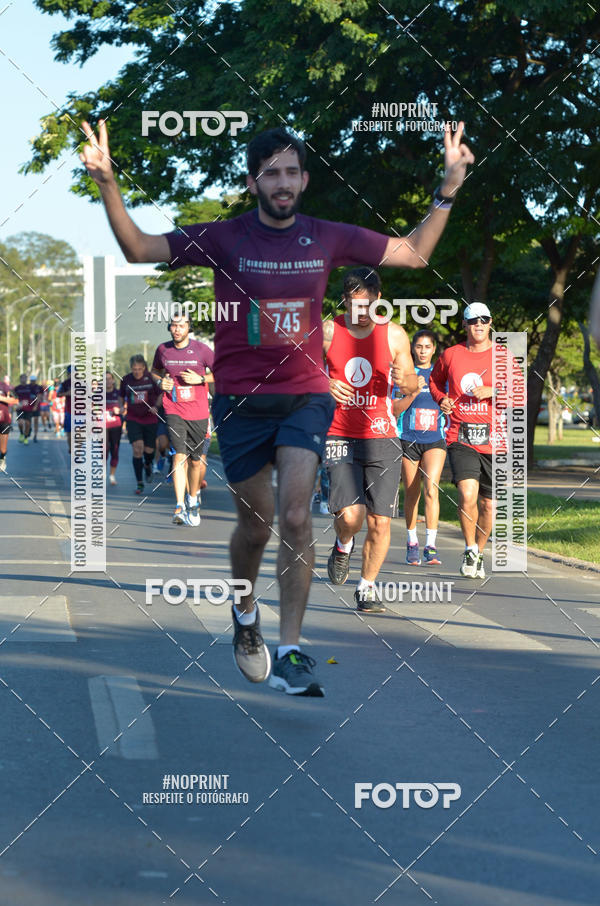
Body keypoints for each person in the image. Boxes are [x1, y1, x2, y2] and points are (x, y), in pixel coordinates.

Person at [79, 117, 474, 696]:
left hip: (306, 400)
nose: (282, 183)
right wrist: (108, 182)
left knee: (294, 516)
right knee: (256, 526)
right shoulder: (224, 237)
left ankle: (290, 649)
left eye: (291, 172)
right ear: (253, 181)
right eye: (271, 174)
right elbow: (139, 247)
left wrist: (447, 190)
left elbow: (413, 253)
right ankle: (244, 615)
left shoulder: (327, 235)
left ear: (305, 179)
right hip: (241, 403)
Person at [324, 268, 417, 613]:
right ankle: (342, 543)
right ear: (344, 301)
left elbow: (410, 383)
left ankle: (366, 588)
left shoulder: (394, 335)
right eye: (352, 305)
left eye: (365, 305)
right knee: (351, 515)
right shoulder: (327, 330)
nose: (359, 313)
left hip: (383, 434)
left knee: (379, 520)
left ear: (378, 300)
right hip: (340, 432)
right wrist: (324, 383)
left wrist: (405, 381)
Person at [429, 302, 499, 578]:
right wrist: (442, 399)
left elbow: (520, 394)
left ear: (491, 322)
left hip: (496, 439)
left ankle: (479, 553)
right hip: (461, 435)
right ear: (465, 324)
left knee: (488, 504)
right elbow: (434, 382)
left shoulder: (502, 356)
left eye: (484, 319)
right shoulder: (451, 355)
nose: (478, 324)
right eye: (473, 320)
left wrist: (493, 390)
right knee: (467, 494)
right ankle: (470, 548)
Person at [151, 315, 214, 525]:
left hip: (198, 411)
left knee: (196, 461)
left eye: (181, 326)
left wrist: (202, 379)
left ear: (189, 328)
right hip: (174, 408)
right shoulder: (163, 350)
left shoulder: (202, 350)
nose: (177, 329)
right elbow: (155, 372)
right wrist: (161, 382)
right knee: (179, 455)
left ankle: (193, 498)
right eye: (174, 326)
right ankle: (179, 505)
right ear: (169, 328)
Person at [394, 329, 447, 566]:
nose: (423, 351)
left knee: (431, 490)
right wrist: (414, 391)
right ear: (412, 348)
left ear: (434, 348)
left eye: (427, 347)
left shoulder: (441, 374)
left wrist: (448, 406)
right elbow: (395, 407)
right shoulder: (405, 373)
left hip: (435, 439)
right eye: (419, 346)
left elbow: (450, 400)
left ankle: (432, 546)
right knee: (412, 492)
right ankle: (412, 540)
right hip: (409, 439)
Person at [119, 355, 161, 494]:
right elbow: (120, 396)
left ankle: (148, 464)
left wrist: (156, 406)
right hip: (133, 418)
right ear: (131, 368)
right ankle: (139, 483)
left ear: (144, 367)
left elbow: (161, 394)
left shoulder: (151, 378)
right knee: (137, 449)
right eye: (134, 369)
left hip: (150, 418)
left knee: (149, 450)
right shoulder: (126, 379)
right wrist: (121, 407)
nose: (137, 372)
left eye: (139, 369)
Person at [105, 370, 123, 485]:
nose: (107, 381)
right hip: (102, 426)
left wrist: (120, 410)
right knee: (104, 449)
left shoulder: (118, 393)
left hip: (116, 425)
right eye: (105, 379)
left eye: (109, 378)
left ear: (112, 380)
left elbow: (124, 408)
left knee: (115, 450)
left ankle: (112, 475)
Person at [0, 380, 17, 472]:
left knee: (3, 449)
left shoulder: (5, 386)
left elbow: (16, 400)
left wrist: (2, 399)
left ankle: (2, 457)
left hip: (4, 419)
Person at [14, 374, 33, 444]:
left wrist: (33, 405)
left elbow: (36, 396)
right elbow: (13, 397)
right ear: (20, 379)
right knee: (20, 422)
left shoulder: (30, 387)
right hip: (20, 408)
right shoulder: (17, 388)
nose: (24, 379)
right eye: (22, 378)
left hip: (28, 408)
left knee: (28, 423)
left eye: (25, 378)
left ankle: (25, 437)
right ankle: (21, 433)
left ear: (26, 379)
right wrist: (16, 403)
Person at [56, 366, 72, 453]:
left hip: (81, 412)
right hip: (69, 411)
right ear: (68, 374)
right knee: (70, 433)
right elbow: (58, 394)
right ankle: (71, 448)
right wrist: (67, 393)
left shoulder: (83, 383)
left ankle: (79, 451)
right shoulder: (65, 384)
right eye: (70, 373)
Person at [28, 374, 44, 442]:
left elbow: (39, 397)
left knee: (36, 420)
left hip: (36, 406)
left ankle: (35, 435)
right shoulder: (27, 387)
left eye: (33, 381)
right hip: (28, 406)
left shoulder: (39, 387)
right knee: (28, 420)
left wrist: (35, 406)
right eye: (31, 381)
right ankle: (29, 429)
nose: (32, 382)